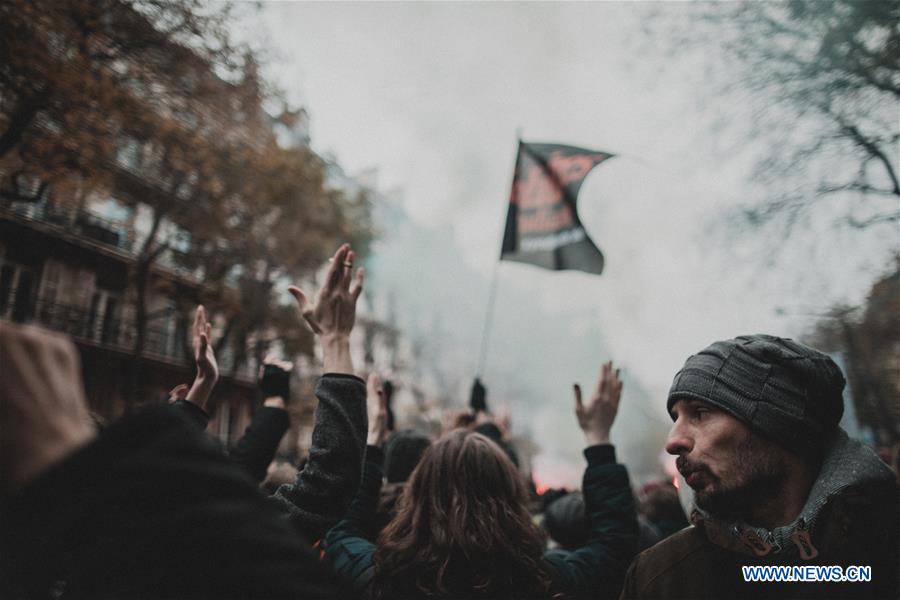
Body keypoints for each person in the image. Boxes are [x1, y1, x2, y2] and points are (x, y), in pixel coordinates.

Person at [0, 243, 367, 598]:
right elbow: (325, 484)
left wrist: (200, 391)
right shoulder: (172, 551)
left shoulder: (39, 564)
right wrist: (335, 340)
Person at [326, 361, 638, 599]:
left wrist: (374, 444)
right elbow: (614, 546)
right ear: (511, 496)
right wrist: (598, 439)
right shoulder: (542, 580)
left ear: (416, 495)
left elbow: (341, 530)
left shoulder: (379, 579)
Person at [621, 334, 899, 599]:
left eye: (700, 413)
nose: (673, 442)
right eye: (675, 418)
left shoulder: (886, 543)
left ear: (778, 423)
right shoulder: (659, 578)